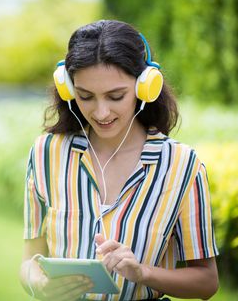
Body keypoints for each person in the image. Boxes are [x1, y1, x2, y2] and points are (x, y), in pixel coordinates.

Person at [19, 19, 219, 301]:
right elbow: (29, 261)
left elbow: (207, 282)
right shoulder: (45, 153)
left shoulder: (182, 165)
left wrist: (143, 273)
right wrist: (38, 284)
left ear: (145, 87)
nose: (101, 113)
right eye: (85, 96)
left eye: (116, 96)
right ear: (67, 89)